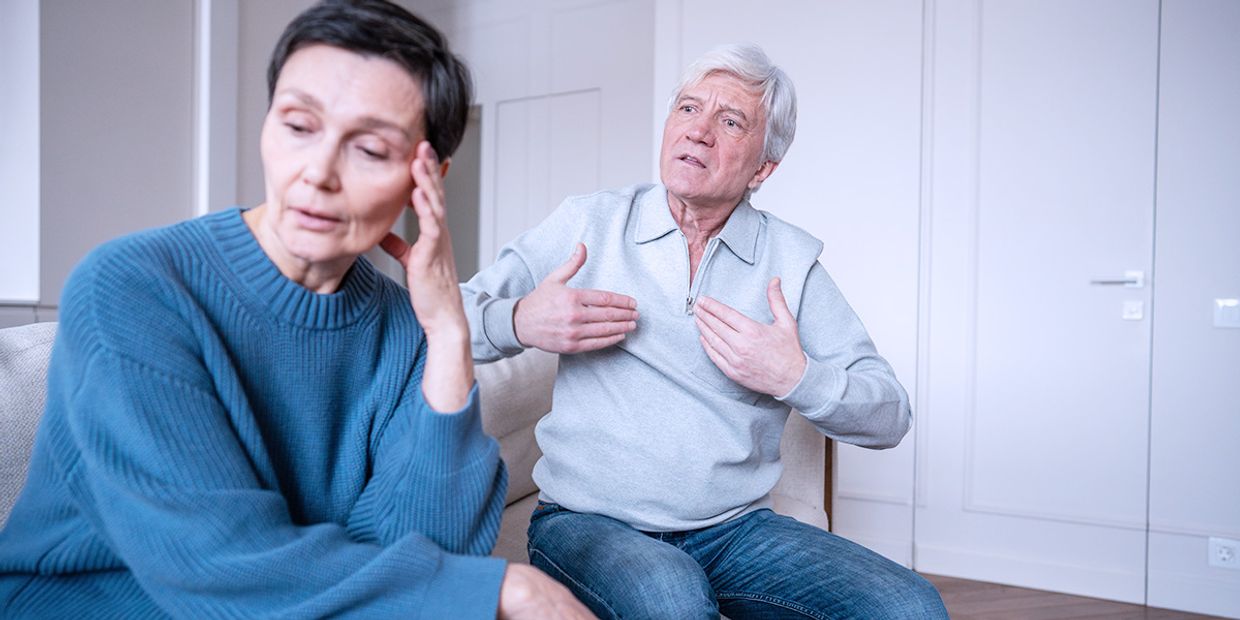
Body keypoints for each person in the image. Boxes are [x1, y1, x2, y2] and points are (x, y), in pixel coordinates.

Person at [0, 1, 592, 618]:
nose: (318, 173)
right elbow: (215, 567)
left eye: (369, 148)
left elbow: (429, 552)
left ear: (428, 183)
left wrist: (446, 333)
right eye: (298, 126)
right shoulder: (133, 289)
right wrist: (503, 588)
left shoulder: (401, 326)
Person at [461, 43, 949, 618]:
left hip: (734, 530)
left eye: (730, 120)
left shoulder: (791, 262)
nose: (698, 132)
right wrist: (519, 319)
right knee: (673, 603)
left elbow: (890, 414)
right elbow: (454, 314)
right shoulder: (590, 221)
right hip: (586, 523)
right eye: (689, 109)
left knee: (912, 607)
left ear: (763, 167)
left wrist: (796, 376)